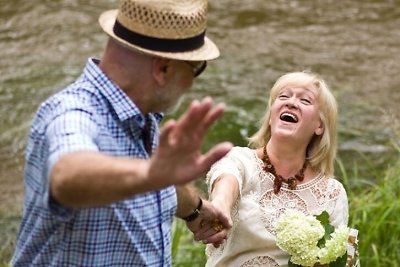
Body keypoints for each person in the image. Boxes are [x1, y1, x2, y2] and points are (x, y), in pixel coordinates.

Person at [12, 0, 233, 266]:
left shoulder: (141, 113)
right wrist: (150, 175)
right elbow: (68, 176)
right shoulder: (71, 113)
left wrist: (195, 209)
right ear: (163, 69)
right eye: (196, 68)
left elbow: (153, 177)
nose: (191, 83)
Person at [197, 72, 349, 266]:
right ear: (271, 116)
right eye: (283, 96)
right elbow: (227, 180)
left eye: (305, 100)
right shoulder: (239, 159)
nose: (291, 103)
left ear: (319, 125)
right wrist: (220, 206)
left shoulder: (332, 193)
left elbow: (336, 260)